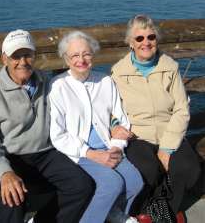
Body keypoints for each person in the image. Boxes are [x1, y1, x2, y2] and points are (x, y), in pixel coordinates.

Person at [0, 29, 95, 223]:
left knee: (82, 186)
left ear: (34, 56)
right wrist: (5, 173)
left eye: (27, 55)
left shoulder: (47, 82)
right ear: (4, 59)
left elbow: (81, 92)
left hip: (45, 153)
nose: (22, 61)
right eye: (15, 56)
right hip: (9, 157)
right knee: (13, 195)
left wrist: (113, 121)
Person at [111, 14, 201, 218]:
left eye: (151, 37)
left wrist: (167, 148)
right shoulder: (118, 72)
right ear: (130, 43)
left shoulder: (170, 67)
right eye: (139, 38)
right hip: (138, 135)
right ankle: (148, 208)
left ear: (156, 40)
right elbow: (109, 109)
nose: (146, 42)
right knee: (147, 169)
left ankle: (168, 207)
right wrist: (115, 124)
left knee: (188, 169)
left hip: (168, 131)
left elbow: (181, 109)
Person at [48, 30, 143, 223]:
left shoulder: (105, 81)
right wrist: (92, 154)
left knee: (135, 182)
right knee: (112, 184)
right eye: (75, 55)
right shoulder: (58, 86)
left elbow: (120, 117)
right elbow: (58, 136)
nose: (81, 60)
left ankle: (110, 213)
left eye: (86, 54)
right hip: (80, 152)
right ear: (66, 59)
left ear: (93, 55)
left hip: (109, 146)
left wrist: (117, 146)